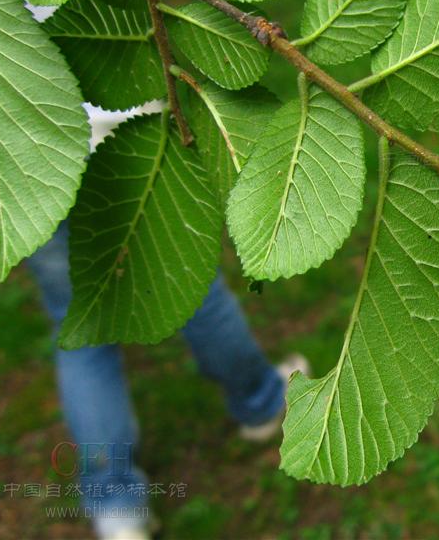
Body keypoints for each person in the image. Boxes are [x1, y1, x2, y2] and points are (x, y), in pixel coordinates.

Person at [28, 222, 307, 540]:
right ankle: (260, 403)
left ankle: (117, 512)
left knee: (81, 328)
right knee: (191, 282)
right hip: (115, 171)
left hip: (26, 184)